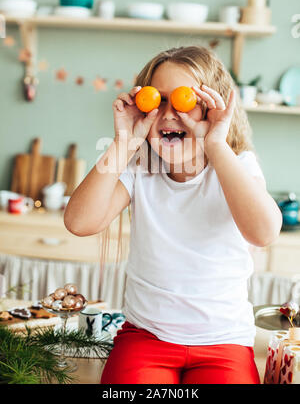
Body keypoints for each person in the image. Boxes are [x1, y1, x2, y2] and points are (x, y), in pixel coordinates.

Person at [64, 46, 282, 384]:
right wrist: (124, 141)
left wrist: (216, 145)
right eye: (156, 100)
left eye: (184, 101)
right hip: (146, 337)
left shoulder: (236, 164)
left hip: (223, 342)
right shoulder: (139, 167)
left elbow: (264, 233)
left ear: (213, 108)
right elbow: (79, 222)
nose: (168, 113)